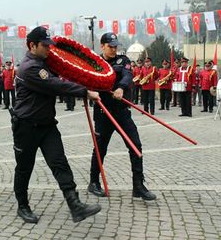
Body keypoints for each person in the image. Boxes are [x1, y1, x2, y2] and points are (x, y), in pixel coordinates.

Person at [12, 26, 101, 224]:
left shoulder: (44, 63)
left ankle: (75, 205)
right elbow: (55, 85)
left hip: (47, 126)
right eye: (45, 45)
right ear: (32, 45)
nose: (49, 49)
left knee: (59, 163)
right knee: (24, 168)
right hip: (26, 127)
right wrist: (85, 91)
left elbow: (63, 75)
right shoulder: (30, 68)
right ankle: (23, 206)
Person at [87, 32, 156, 201]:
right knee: (100, 149)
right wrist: (89, 90)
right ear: (102, 45)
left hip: (121, 111)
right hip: (103, 112)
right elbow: (87, 80)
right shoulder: (95, 63)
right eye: (110, 46)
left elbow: (127, 75)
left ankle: (138, 185)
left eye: (115, 46)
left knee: (135, 145)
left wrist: (121, 88)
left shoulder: (122, 60)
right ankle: (94, 182)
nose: (113, 49)